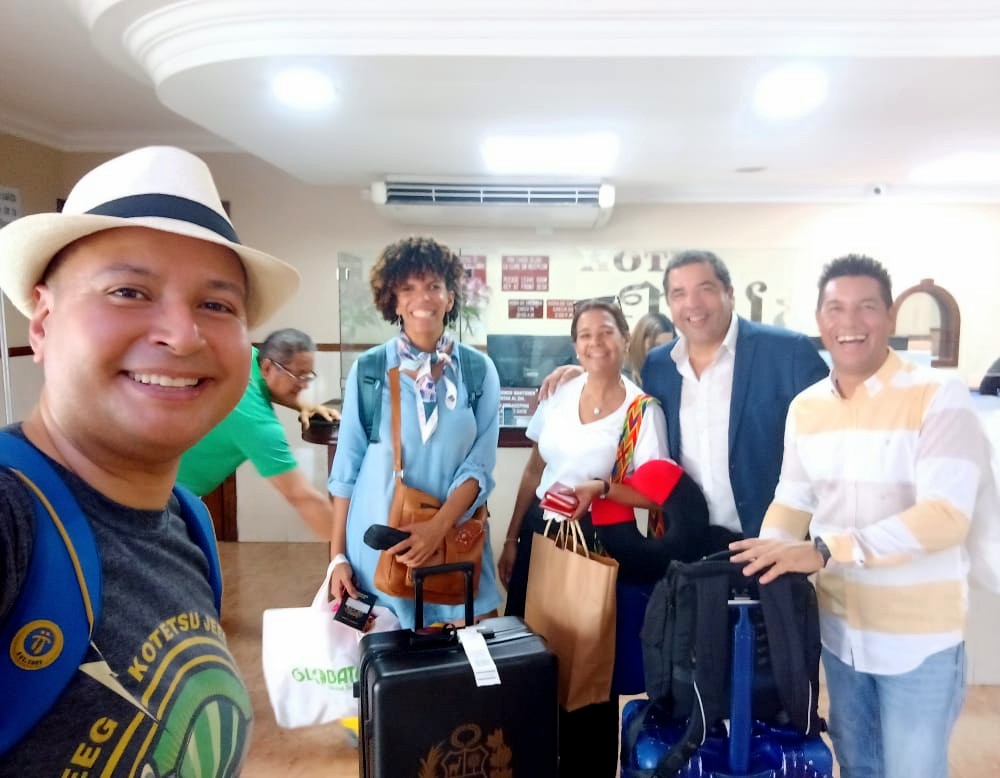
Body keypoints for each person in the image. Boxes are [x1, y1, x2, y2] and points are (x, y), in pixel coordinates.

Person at [0, 146, 299, 776]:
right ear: (43, 323)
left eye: (216, 305)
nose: (182, 335)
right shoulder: (12, 518)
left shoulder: (186, 524)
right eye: (129, 291)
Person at [731, 254, 996, 778]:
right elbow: (793, 498)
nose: (850, 322)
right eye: (836, 308)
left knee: (913, 770)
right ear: (820, 319)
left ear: (891, 317)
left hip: (919, 639)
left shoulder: (937, 396)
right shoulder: (807, 406)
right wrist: (765, 562)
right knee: (857, 766)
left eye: (866, 307)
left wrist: (824, 550)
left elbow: (946, 516)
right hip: (841, 635)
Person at [500, 298, 708, 778]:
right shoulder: (559, 393)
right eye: (585, 335)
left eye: (606, 332)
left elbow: (656, 496)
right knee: (527, 656)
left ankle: (587, 768)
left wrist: (601, 489)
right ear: (575, 344)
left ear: (624, 337)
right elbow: (534, 469)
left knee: (589, 670)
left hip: (594, 545)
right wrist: (511, 538)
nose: (596, 342)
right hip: (540, 533)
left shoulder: (641, 412)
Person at [540, 249, 828, 544]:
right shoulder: (659, 366)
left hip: (767, 543)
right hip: (686, 542)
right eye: (679, 293)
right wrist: (584, 371)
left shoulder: (787, 354)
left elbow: (830, 453)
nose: (692, 303)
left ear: (729, 293)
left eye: (705, 289)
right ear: (669, 303)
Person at [327, 236, 502, 628]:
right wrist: (336, 557)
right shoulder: (370, 370)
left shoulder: (477, 372)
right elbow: (346, 471)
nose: (422, 298)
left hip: (454, 543)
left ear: (450, 298)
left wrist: (436, 530)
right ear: (394, 300)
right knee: (388, 659)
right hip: (380, 550)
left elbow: (480, 466)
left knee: (469, 655)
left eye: (433, 286)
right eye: (408, 288)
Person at [177, 327, 338, 537]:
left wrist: (302, 406)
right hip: (163, 498)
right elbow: (302, 497)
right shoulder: (257, 423)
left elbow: (263, 387)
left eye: (307, 376)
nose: (304, 385)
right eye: (297, 376)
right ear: (268, 367)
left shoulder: (247, 356)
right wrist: (350, 550)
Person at [626, 310, 675, 385]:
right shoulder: (621, 377)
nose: (662, 355)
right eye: (655, 347)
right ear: (639, 341)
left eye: (667, 349)